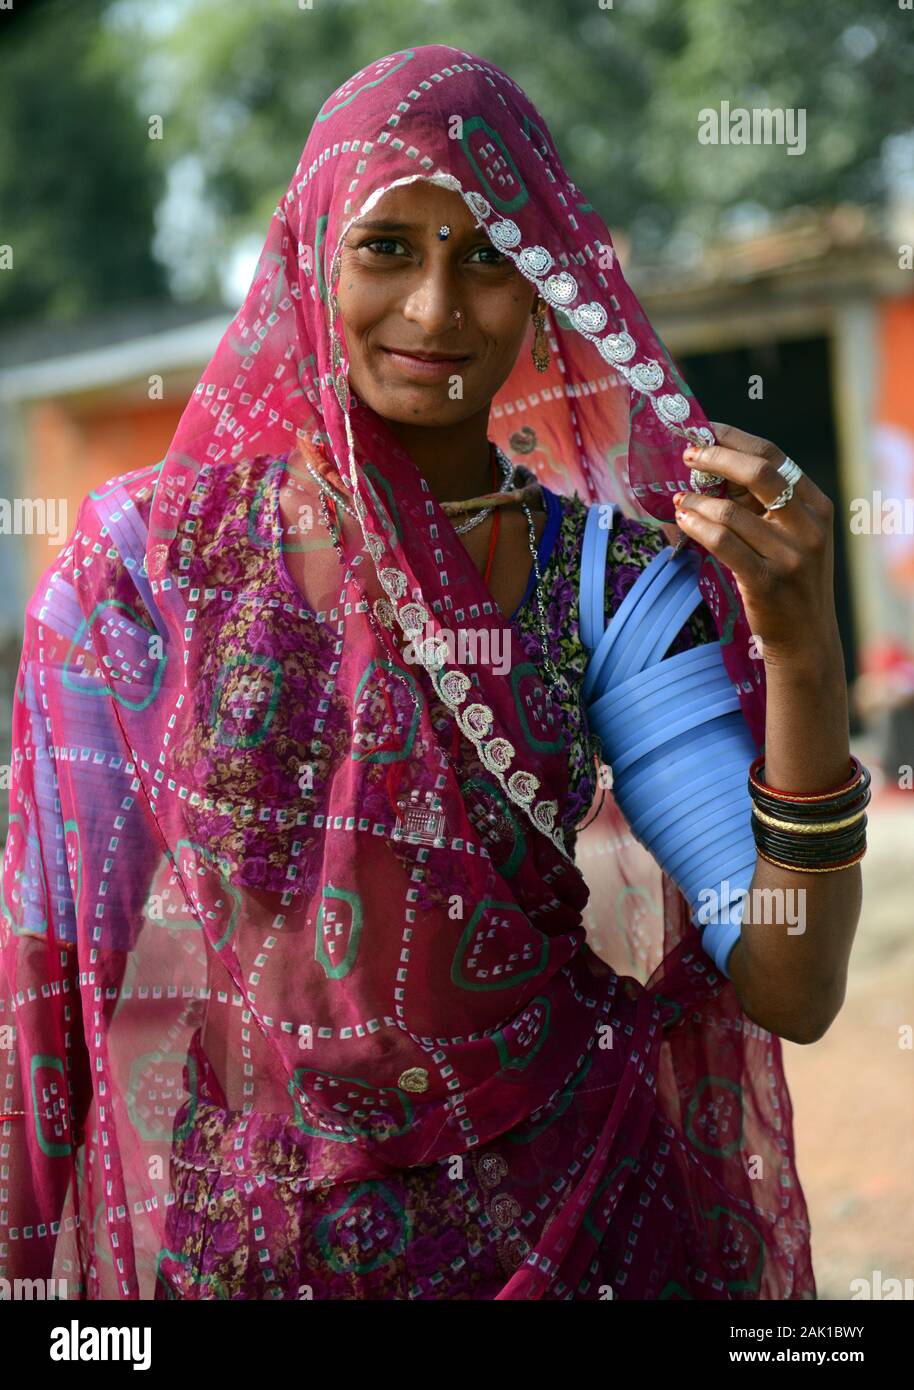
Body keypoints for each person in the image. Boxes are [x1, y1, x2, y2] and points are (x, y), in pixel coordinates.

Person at [1, 43, 865, 1301]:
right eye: (387, 248)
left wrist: (800, 647)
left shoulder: (608, 582)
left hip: (576, 1234)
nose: (434, 311)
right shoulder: (146, 565)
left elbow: (790, 980)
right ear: (310, 254)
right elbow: (46, 977)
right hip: (253, 1252)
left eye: (489, 258)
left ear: (544, 285)